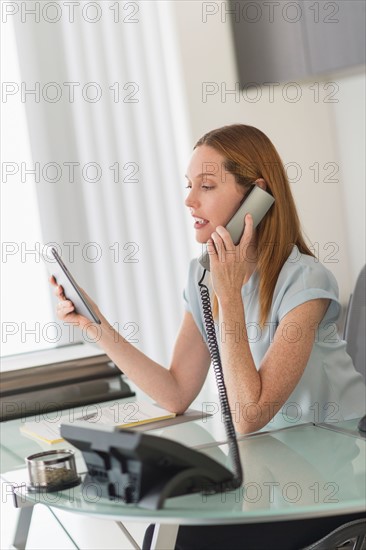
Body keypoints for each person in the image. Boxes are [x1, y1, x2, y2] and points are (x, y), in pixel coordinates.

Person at [51, 124, 366, 549]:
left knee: (183, 542)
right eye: (188, 186)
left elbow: (251, 414)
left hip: (325, 490)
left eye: (207, 185)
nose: (189, 200)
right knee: (164, 535)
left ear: (257, 194)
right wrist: (97, 328)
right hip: (262, 479)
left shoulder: (306, 281)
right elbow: (177, 390)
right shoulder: (203, 275)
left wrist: (229, 294)